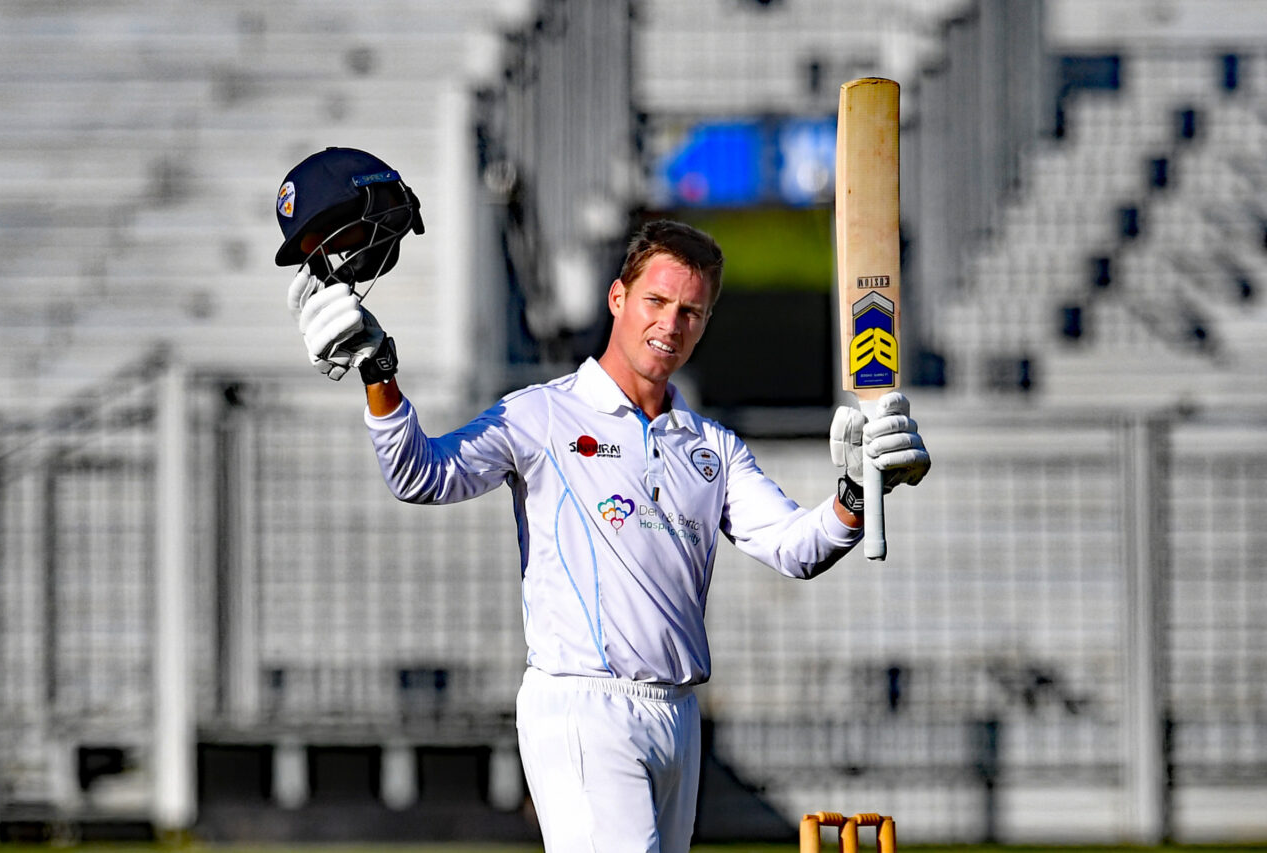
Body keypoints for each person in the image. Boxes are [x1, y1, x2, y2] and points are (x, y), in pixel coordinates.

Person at [278, 151, 930, 853]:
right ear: (618, 298)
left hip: (678, 713)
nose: (671, 325)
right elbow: (422, 474)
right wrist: (378, 373)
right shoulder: (542, 415)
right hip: (583, 705)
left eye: (690, 312)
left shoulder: (712, 446)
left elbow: (795, 548)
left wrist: (858, 491)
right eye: (656, 302)